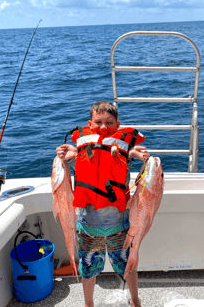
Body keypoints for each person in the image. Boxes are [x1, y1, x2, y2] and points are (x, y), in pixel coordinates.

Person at [56, 100, 149, 307]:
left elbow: (132, 154)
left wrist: (138, 154)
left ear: (117, 125)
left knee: (128, 266)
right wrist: (64, 154)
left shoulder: (125, 148)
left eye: (109, 122)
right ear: (90, 124)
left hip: (121, 227)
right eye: (98, 122)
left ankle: (135, 299)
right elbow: (68, 162)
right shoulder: (80, 150)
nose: (104, 127)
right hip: (89, 228)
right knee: (88, 270)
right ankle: (88, 303)